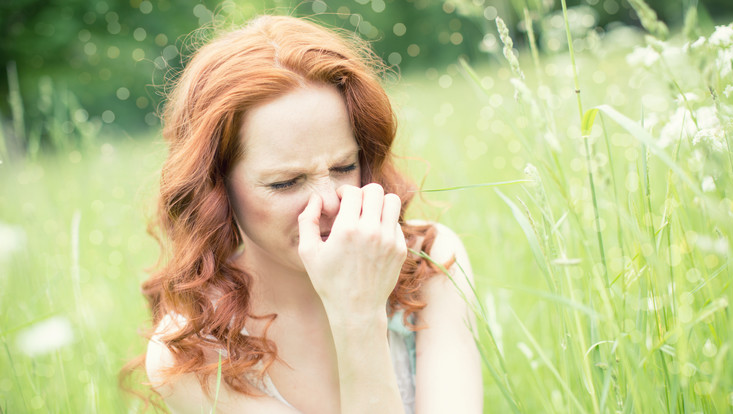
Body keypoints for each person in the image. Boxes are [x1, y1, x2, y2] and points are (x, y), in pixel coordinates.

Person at [141, 14, 482, 414]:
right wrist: (357, 316)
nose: (331, 203)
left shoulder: (431, 260)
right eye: (285, 183)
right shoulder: (192, 354)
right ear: (217, 190)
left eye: (343, 168)